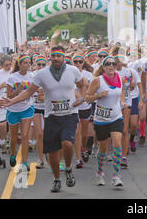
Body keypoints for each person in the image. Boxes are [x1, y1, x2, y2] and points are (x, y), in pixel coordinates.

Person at [5, 46, 86, 192]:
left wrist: (82, 97)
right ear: (50, 58)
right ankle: (56, 179)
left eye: (59, 56)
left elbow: (82, 85)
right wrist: (11, 101)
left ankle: (68, 168)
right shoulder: (42, 74)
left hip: (70, 114)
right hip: (51, 116)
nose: (56, 58)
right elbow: (29, 92)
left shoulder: (72, 70)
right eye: (53, 56)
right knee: (53, 151)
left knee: (67, 143)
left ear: (63, 57)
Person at [85, 56, 128, 187]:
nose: (111, 66)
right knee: (103, 148)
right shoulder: (97, 81)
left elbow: (121, 94)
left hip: (116, 117)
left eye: (113, 64)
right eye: (108, 64)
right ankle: (100, 173)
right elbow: (87, 98)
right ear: (103, 67)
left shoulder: (121, 79)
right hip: (101, 119)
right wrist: (98, 95)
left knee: (116, 143)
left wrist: (122, 102)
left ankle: (116, 176)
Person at [5, 54, 35, 171]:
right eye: (25, 63)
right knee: (13, 137)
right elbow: (8, 95)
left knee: (25, 136)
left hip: (27, 108)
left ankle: (24, 161)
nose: (28, 65)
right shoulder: (12, 78)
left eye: (29, 63)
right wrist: (17, 90)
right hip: (13, 110)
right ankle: (13, 154)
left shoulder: (32, 76)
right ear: (19, 64)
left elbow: (35, 91)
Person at [72, 53, 94, 169]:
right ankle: (78, 158)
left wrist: (87, 84)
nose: (78, 64)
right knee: (76, 132)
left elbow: (94, 88)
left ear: (83, 63)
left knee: (84, 133)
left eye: (80, 62)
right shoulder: (69, 74)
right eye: (75, 62)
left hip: (85, 106)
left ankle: (84, 147)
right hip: (74, 106)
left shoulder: (88, 74)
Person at [0, 55, 13, 154]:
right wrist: (0, 86)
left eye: (10, 64)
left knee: (12, 123)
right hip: (1, 99)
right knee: (2, 124)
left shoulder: (14, 72)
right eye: (6, 65)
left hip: (12, 99)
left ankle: (11, 142)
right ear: (1, 65)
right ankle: (3, 142)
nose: (8, 67)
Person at [32, 55, 48, 169]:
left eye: (43, 64)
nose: (41, 66)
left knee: (49, 134)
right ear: (35, 65)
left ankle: (49, 156)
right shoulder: (32, 75)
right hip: (36, 106)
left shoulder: (49, 75)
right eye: (39, 64)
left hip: (48, 107)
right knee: (39, 134)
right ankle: (41, 159)